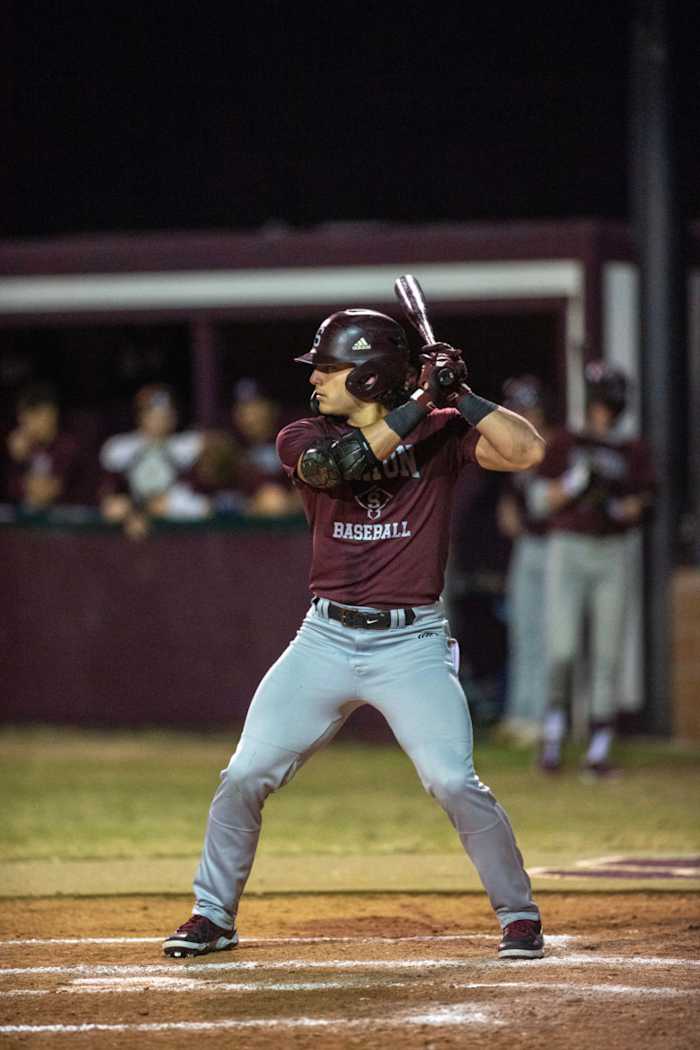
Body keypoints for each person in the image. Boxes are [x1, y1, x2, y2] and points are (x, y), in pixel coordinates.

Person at [163, 307, 546, 961]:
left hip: (411, 644)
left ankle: (519, 915)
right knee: (245, 774)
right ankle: (213, 914)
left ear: (369, 377)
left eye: (329, 369)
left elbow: (528, 451)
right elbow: (338, 466)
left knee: (453, 782)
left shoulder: (441, 430)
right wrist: (422, 398)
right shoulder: (302, 434)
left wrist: (462, 396)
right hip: (325, 639)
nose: (316, 380)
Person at [532, 361, 655, 777]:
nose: (605, 412)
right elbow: (538, 502)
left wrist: (617, 506)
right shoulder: (568, 442)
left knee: (607, 652)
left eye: (611, 405)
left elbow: (645, 504)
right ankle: (553, 734)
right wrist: (575, 483)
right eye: (601, 404)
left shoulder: (632, 449)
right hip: (568, 547)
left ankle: (599, 750)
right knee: (562, 649)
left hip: (612, 550)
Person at [496, 376, 555, 745]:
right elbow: (510, 499)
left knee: (548, 634)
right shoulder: (516, 451)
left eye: (526, 409)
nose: (522, 415)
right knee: (523, 630)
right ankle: (520, 713)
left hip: (556, 545)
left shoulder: (557, 447)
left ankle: (542, 717)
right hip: (528, 545)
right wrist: (508, 509)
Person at [99, 384, 211, 539]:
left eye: (165, 414)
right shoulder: (119, 448)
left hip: (180, 532)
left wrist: (149, 509)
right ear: (140, 416)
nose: (159, 420)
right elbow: (110, 500)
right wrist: (130, 510)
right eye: (152, 414)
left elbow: (205, 505)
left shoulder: (189, 445)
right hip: (131, 530)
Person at [4, 383, 82, 510]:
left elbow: (48, 492)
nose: (27, 424)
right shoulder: (21, 447)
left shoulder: (67, 446)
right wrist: (17, 460)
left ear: (52, 414)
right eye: (23, 417)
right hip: (29, 518)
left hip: (67, 517)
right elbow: (11, 489)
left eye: (35, 416)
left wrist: (24, 473)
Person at [230, 378, 301, 516]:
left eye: (255, 407)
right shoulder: (231, 447)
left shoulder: (291, 442)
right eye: (243, 409)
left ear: (271, 408)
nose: (249, 416)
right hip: (244, 521)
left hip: (288, 520)